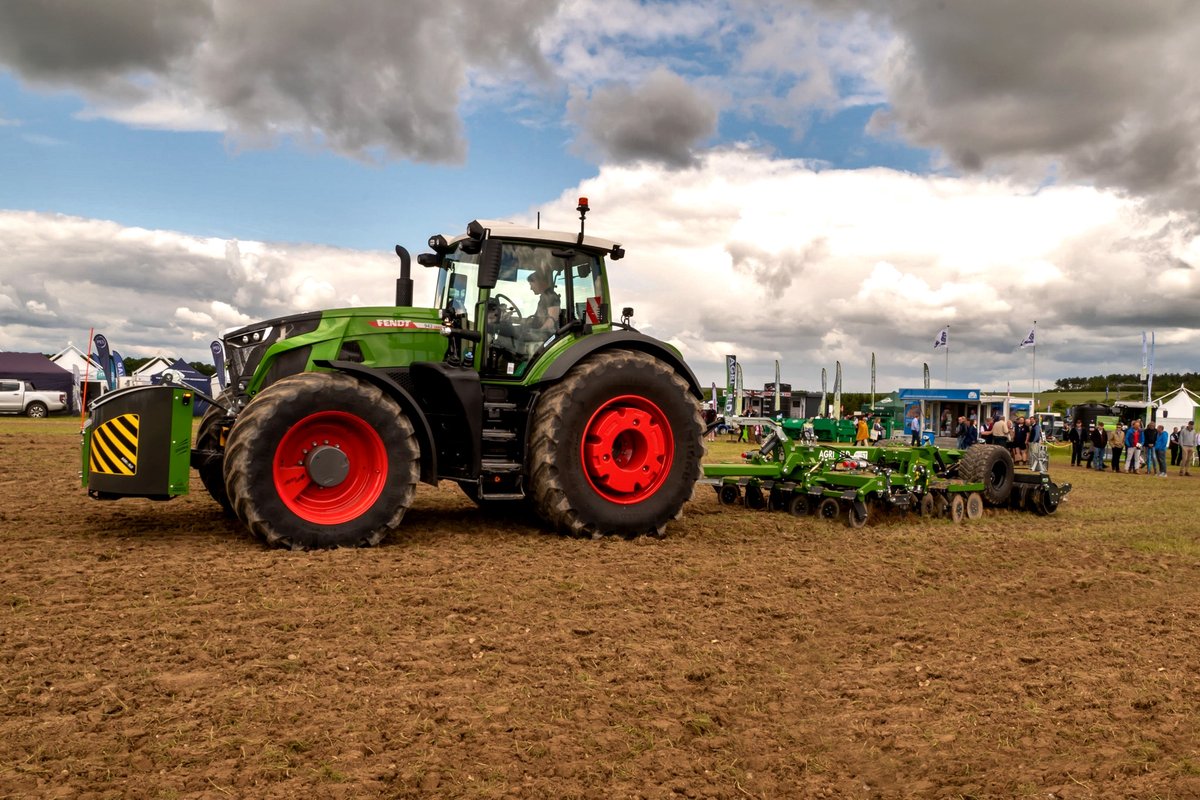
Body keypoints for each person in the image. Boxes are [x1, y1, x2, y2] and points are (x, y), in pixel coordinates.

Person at [526, 268, 561, 334]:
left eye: (531, 285)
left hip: (543, 336)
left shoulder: (551, 296)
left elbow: (552, 321)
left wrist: (538, 333)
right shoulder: (544, 297)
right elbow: (538, 319)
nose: (531, 288)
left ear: (540, 282)